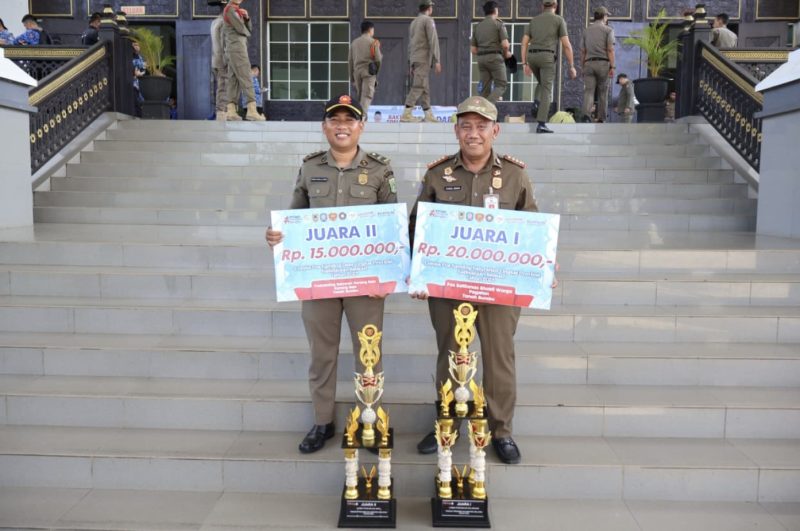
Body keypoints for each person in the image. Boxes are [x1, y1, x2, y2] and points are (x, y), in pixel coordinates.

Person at [409, 96, 558, 465]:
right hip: (447, 288)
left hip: (499, 288)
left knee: (499, 357)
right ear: (456, 129)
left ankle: (501, 430)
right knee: (450, 353)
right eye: (466, 126)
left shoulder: (514, 175)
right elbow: (417, 229)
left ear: (495, 130)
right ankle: (447, 421)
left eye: (481, 126)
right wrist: (418, 272)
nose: (473, 134)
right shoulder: (437, 174)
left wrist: (543, 270)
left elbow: (533, 229)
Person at [265, 95, 397, 454]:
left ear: (361, 127)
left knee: (369, 353)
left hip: (365, 284)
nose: (342, 126)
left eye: (349, 120)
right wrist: (277, 236)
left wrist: (387, 276)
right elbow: (294, 219)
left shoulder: (381, 170)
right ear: (325, 127)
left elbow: (392, 230)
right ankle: (323, 421)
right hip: (318, 281)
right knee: (322, 353)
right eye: (335, 120)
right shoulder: (310, 168)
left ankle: (369, 419)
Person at [521, 0, 576, 133]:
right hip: (547, 57)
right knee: (547, 88)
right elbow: (566, 44)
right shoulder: (559, 20)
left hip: (532, 57)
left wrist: (524, 63)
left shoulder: (533, 21)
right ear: (555, 7)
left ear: (542, 7)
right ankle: (541, 123)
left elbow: (524, 43)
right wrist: (572, 65)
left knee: (541, 83)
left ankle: (536, 102)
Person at [222, 0, 265, 121]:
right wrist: (242, 20)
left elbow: (247, 29)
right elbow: (242, 29)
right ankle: (252, 110)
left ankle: (231, 111)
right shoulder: (230, 9)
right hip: (236, 48)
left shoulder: (235, 10)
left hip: (235, 48)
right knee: (246, 76)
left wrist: (246, 18)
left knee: (233, 79)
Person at [401, 0, 441, 123]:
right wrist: (437, 60)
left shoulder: (413, 22)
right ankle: (407, 113)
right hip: (423, 58)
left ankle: (428, 114)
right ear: (429, 8)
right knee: (418, 86)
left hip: (415, 58)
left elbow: (410, 45)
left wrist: (410, 62)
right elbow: (433, 40)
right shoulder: (428, 20)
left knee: (424, 87)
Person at [471, 1, 512, 104]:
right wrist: (506, 53)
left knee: (485, 89)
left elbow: (473, 50)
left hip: (481, 59)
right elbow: (506, 45)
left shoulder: (478, 26)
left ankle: (483, 114)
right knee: (501, 84)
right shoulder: (498, 24)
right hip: (495, 58)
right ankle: (487, 106)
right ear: (495, 10)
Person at [581, 6, 615, 123]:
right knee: (603, 92)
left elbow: (583, 51)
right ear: (604, 16)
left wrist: (582, 66)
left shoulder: (586, 30)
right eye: (607, 16)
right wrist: (612, 66)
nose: (607, 18)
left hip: (588, 63)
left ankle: (586, 116)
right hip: (603, 64)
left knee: (589, 91)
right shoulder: (608, 30)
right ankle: (601, 118)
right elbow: (610, 49)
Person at [349, 20, 382, 117]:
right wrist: (376, 71)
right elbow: (378, 59)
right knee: (367, 95)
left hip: (357, 71)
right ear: (370, 29)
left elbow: (350, 61)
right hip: (369, 71)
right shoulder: (373, 42)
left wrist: (352, 78)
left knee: (360, 96)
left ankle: (359, 116)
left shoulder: (354, 43)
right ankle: (361, 117)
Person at [210, 3, 228, 121]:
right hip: (222, 60)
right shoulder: (223, 23)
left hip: (215, 59)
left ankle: (220, 111)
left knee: (220, 86)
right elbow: (224, 44)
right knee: (224, 86)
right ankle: (222, 112)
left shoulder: (214, 22)